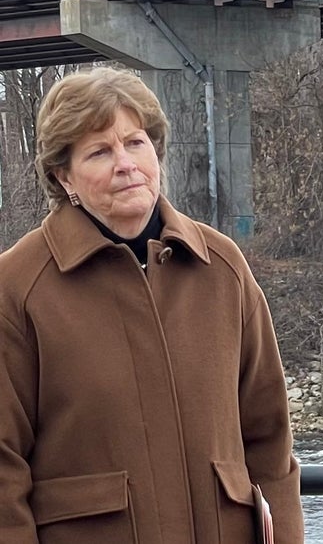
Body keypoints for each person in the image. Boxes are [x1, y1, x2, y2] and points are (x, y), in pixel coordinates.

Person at [0, 67, 303, 543]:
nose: (126, 163)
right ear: (64, 176)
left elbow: (269, 439)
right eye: (100, 151)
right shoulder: (18, 288)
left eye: (136, 142)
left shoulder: (220, 267)